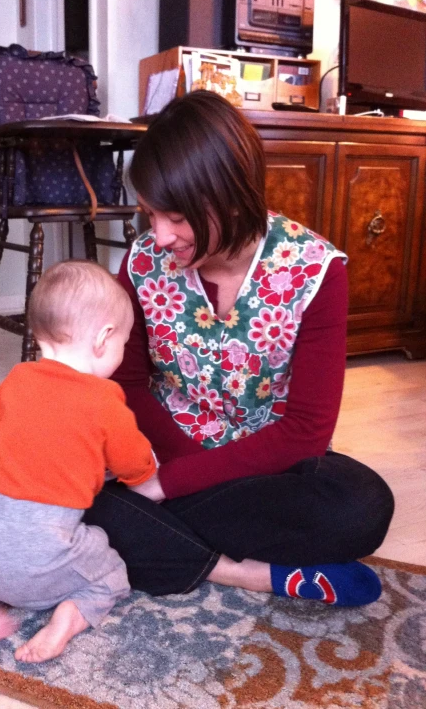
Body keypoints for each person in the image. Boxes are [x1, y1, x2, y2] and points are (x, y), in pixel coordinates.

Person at [83, 90, 394, 608]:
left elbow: (305, 432)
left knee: (363, 506)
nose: (159, 236)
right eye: (150, 215)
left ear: (229, 195)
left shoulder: (316, 270)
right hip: (156, 452)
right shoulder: (141, 265)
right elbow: (128, 384)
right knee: (58, 483)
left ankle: (155, 543)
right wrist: (173, 472)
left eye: (177, 218)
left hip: (263, 464)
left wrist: (171, 488)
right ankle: (249, 573)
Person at [0, 261, 157, 663]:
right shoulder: (104, 399)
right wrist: (147, 478)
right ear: (104, 338)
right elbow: (133, 462)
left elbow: (1, 425)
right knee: (110, 573)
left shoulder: (16, 378)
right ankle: (67, 619)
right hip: (43, 558)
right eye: (122, 345)